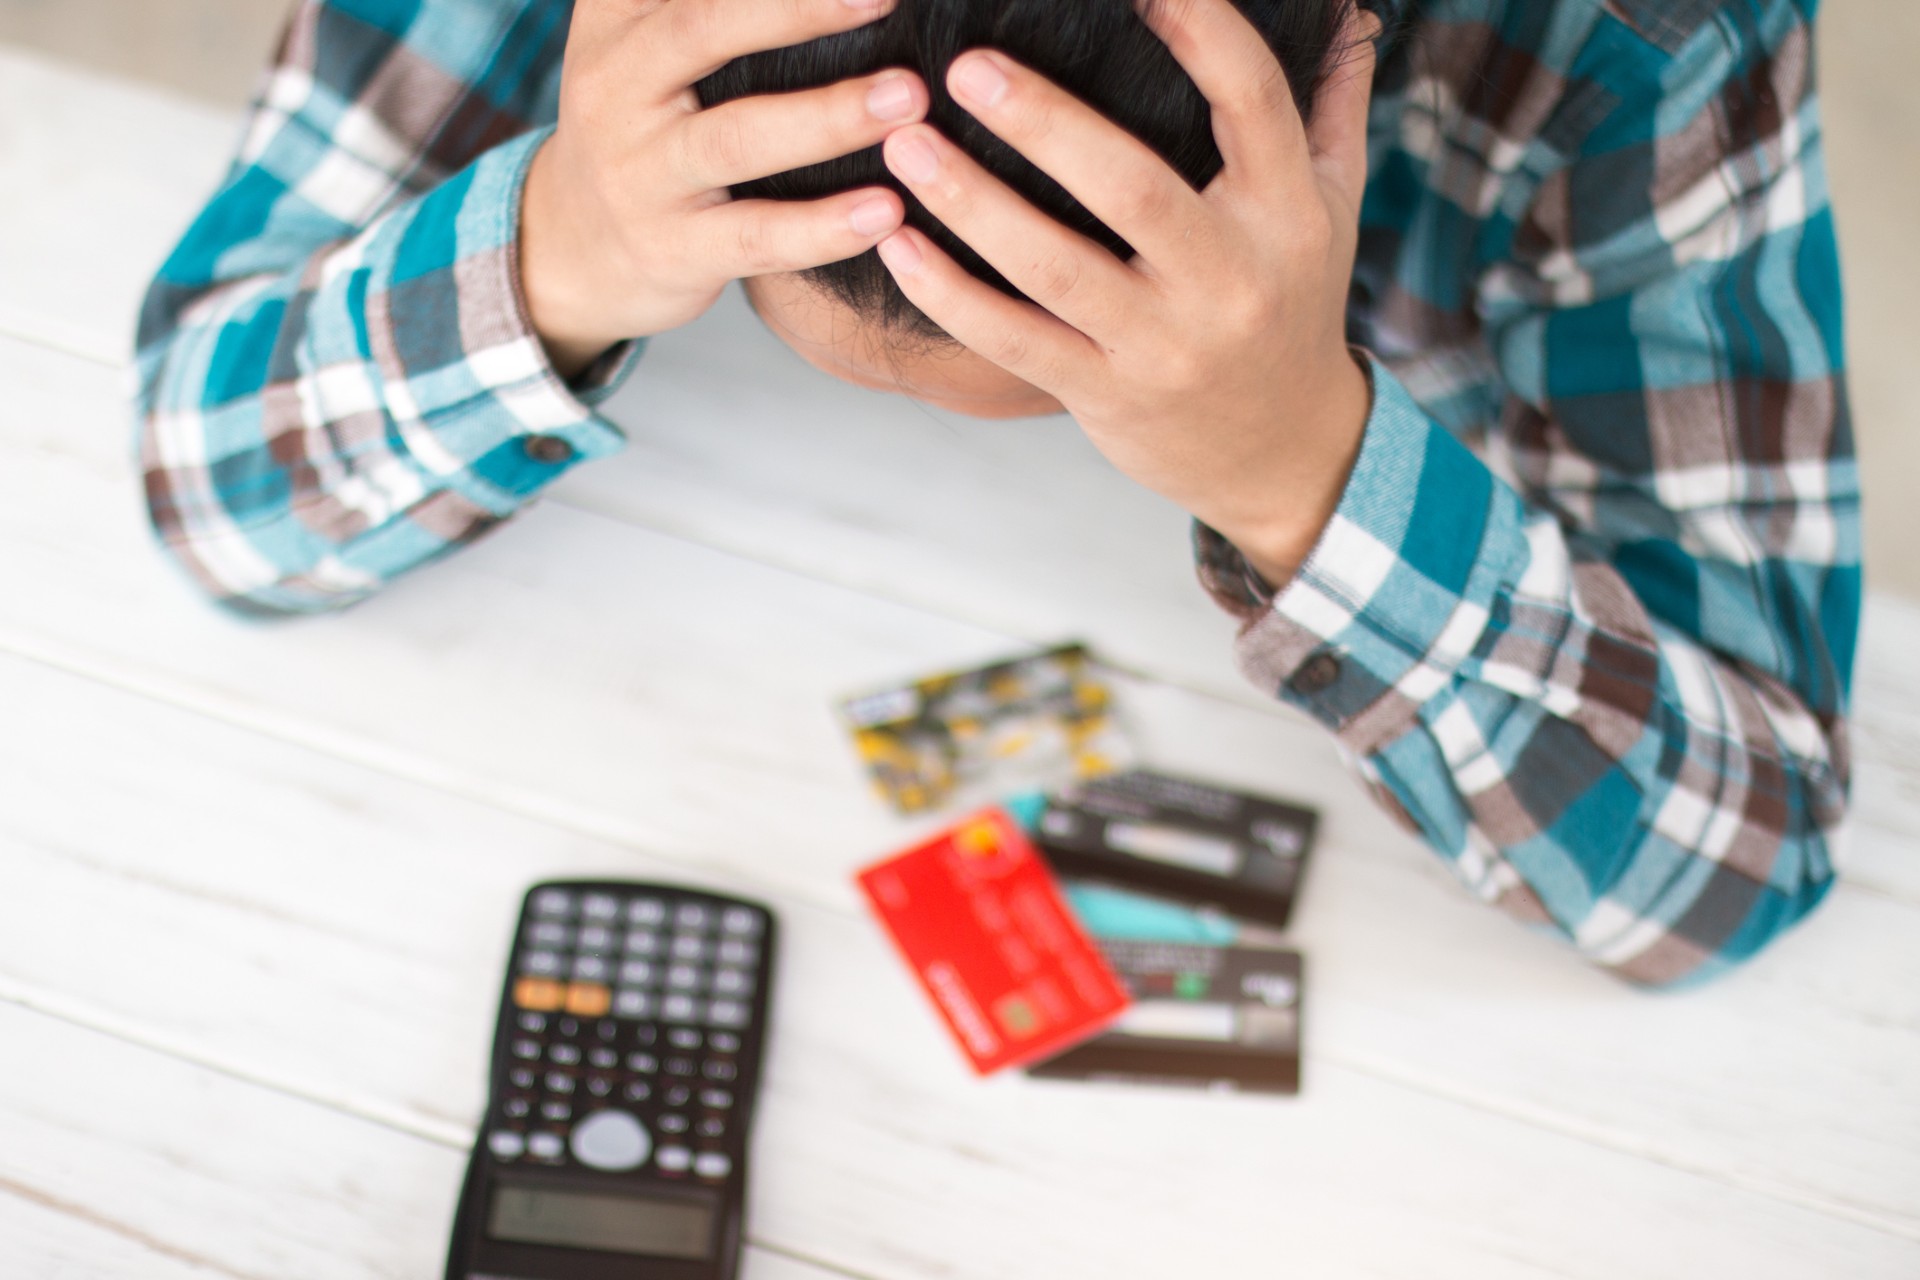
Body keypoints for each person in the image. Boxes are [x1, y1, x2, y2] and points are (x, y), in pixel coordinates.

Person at [134, 0, 1859, 987]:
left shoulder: (1645, 38)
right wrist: (564, 244)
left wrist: (1297, 463)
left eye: (1071, 384)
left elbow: (1733, 871)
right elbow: (207, 493)